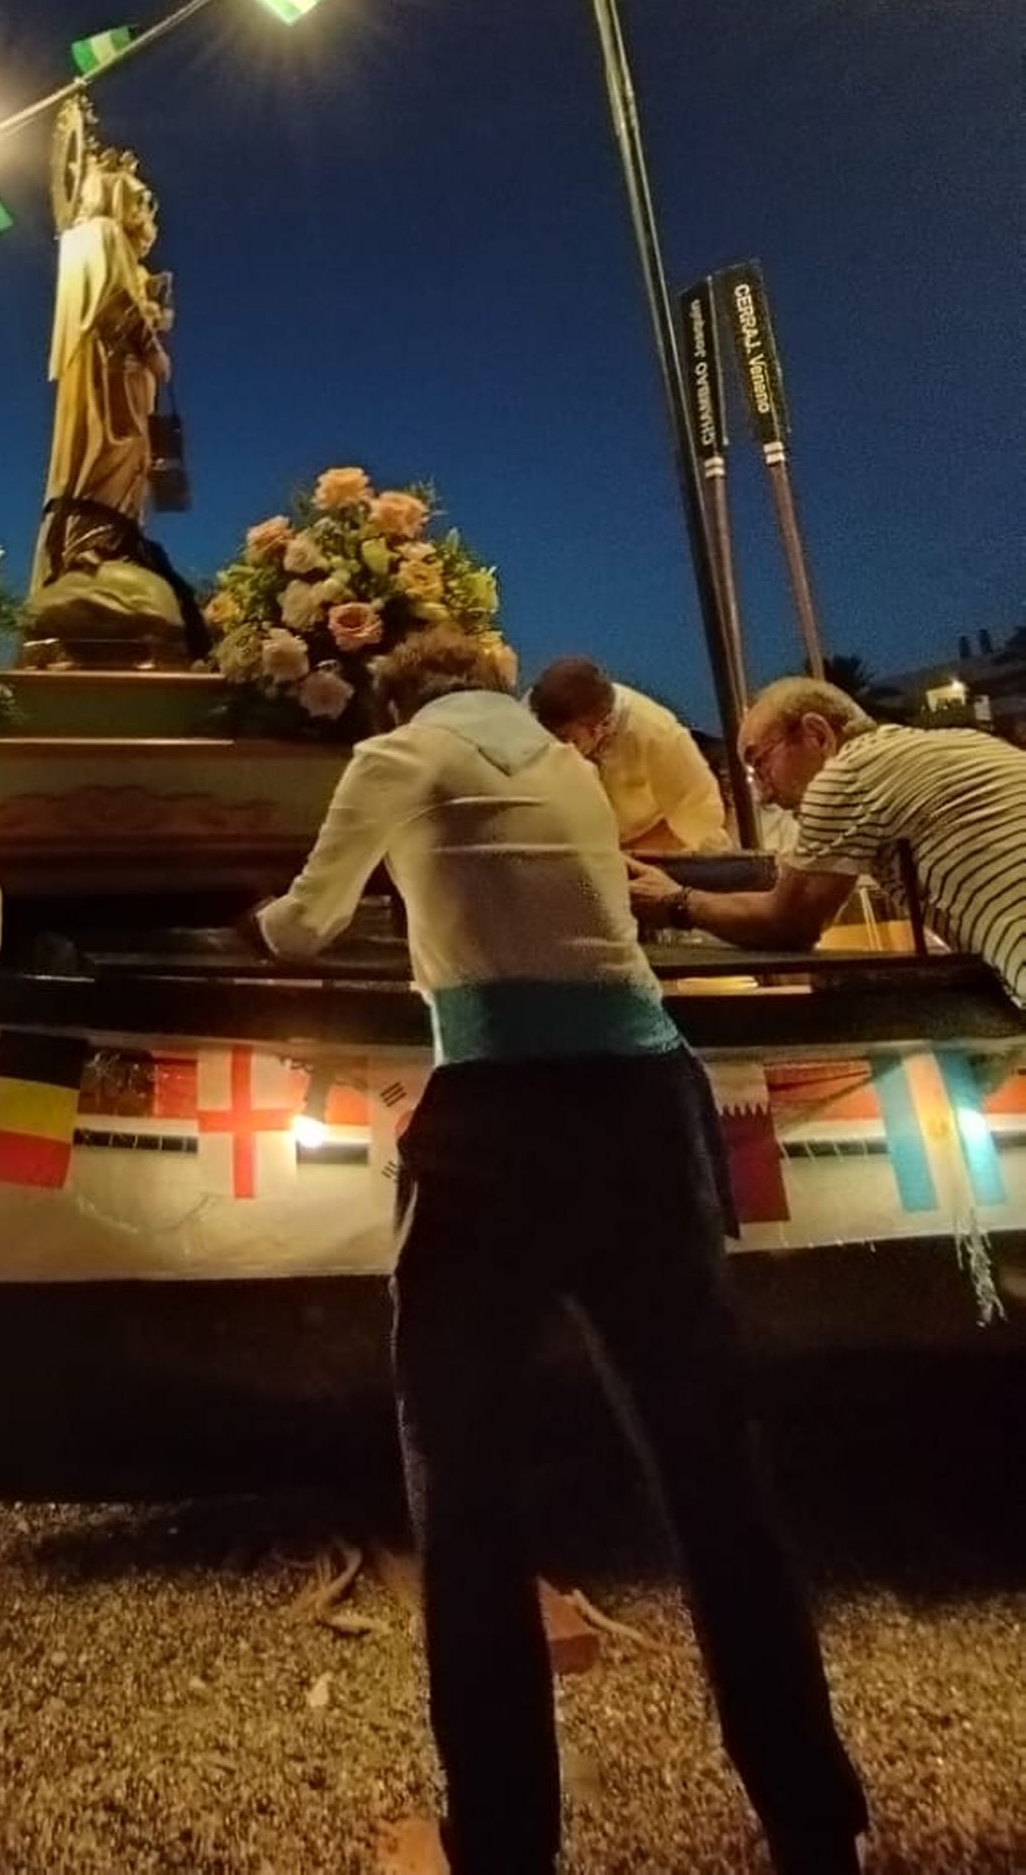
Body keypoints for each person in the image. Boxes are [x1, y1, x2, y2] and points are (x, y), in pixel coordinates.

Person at [258, 626, 865, 1875]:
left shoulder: (393, 758)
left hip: (496, 1116)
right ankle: (815, 1821)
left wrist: (257, 917)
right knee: (708, 1465)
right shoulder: (572, 766)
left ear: (394, 698)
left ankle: (504, 1840)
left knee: (462, 1479)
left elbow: (306, 929)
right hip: (645, 1101)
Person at [629, 675, 1026, 1002]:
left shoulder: (846, 775)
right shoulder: (964, 742)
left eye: (760, 763)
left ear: (816, 734)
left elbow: (790, 925)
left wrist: (675, 901)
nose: (764, 795)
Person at [528, 654, 729, 854]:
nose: (558, 749)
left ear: (602, 726)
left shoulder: (658, 734)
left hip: (649, 844)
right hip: (576, 848)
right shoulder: (528, 718)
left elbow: (699, 816)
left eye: (568, 740)